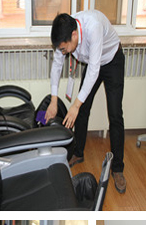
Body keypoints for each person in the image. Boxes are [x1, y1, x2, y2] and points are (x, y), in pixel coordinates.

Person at [46, 10, 126, 194]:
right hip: (93, 64)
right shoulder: (65, 33)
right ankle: (78, 152)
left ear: (74, 35)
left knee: (115, 114)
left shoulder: (93, 27)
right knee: (82, 109)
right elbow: (57, 65)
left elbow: (94, 70)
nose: (63, 52)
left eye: (64, 48)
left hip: (112, 60)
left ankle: (118, 168)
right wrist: (53, 100)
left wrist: (75, 104)